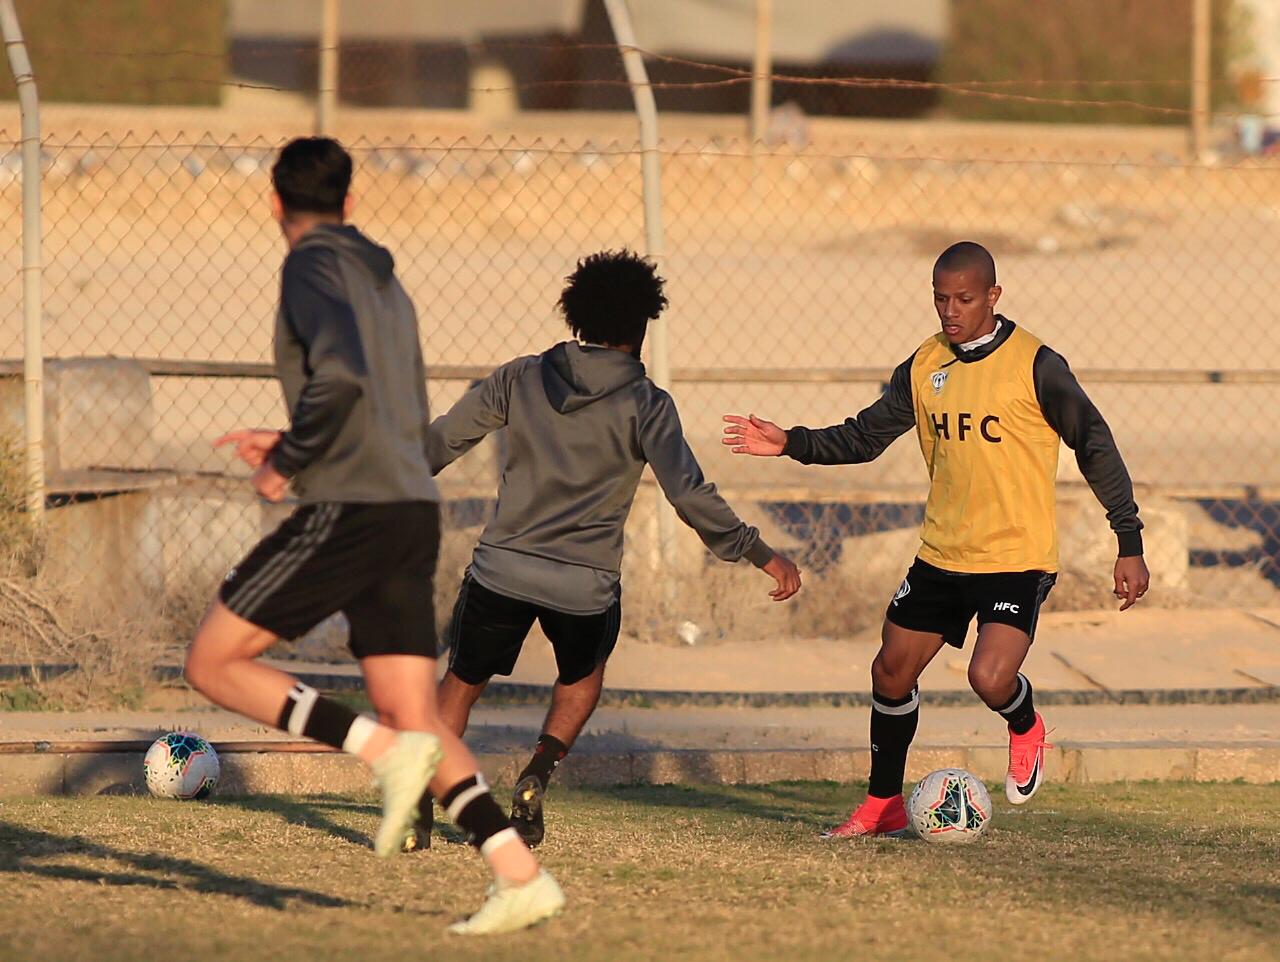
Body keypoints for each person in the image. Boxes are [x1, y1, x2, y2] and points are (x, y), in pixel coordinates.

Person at [184, 137, 564, 934]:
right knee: (414, 714)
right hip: (408, 509)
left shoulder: (308, 264)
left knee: (214, 660)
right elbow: (368, 391)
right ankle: (518, 874)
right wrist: (293, 436)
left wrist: (288, 455)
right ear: (351, 203)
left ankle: (379, 753)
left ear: (275, 205)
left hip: (353, 509)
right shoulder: (384, 279)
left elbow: (343, 376)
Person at [723, 241, 1149, 837]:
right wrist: (790, 441)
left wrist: (1127, 538)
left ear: (993, 297)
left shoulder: (1037, 365)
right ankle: (882, 806)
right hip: (942, 555)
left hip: (1015, 557)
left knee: (989, 678)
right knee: (890, 673)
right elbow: (863, 438)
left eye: (965, 299)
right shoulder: (925, 366)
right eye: (940, 298)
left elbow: (1094, 443)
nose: (951, 311)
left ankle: (1024, 723)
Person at [416, 249, 802, 849]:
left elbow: (441, 442)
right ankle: (537, 773)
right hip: (585, 585)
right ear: (644, 324)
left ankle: (418, 800)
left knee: (462, 682)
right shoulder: (646, 404)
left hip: (501, 570)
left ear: (575, 316)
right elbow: (690, 496)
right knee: (582, 677)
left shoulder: (521, 375)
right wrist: (758, 552)